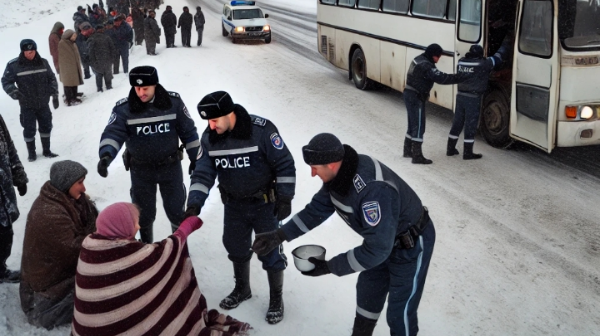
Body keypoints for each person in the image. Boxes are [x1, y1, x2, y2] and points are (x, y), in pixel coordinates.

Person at [252, 133, 436, 336]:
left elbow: (376, 250)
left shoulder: (372, 190)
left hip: (410, 245)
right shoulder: (339, 177)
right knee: (368, 293)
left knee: (399, 313)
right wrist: (279, 236)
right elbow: (316, 211)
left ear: (331, 164)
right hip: (382, 241)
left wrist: (330, 266)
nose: (313, 173)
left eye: (315, 167)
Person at [185, 91, 295, 324]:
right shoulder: (210, 138)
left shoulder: (262, 131)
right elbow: (203, 172)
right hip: (234, 204)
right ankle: (242, 289)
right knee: (234, 245)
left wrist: (285, 198)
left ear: (229, 113)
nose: (210, 126)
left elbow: (284, 163)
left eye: (214, 120)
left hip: (265, 204)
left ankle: (276, 298)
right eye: (208, 121)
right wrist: (194, 203)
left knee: (270, 251)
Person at [70, 203, 252, 336]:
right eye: (135, 223)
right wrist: (187, 227)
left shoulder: (90, 249)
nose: (138, 227)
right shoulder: (131, 257)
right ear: (120, 227)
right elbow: (167, 252)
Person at [97, 66, 200, 243]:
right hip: (141, 169)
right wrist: (106, 155)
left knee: (176, 210)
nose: (141, 93)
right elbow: (113, 133)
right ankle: (145, 248)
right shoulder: (124, 109)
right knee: (143, 213)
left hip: (170, 166)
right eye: (137, 89)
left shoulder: (172, 103)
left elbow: (189, 132)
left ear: (155, 85)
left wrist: (195, 158)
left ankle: (180, 247)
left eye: (145, 88)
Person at [20, 160, 98, 330]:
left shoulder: (68, 198)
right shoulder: (49, 213)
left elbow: (93, 220)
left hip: (56, 278)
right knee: (100, 283)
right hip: (42, 297)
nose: (84, 188)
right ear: (66, 183)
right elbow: (79, 248)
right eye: (79, 182)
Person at [403, 43, 466, 164]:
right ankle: (417, 156)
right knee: (419, 126)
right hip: (416, 96)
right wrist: (459, 77)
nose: (439, 59)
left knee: (412, 123)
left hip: (409, 93)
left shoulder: (418, 59)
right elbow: (442, 78)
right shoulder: (426, 66)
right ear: (433, 55)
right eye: (438, 56)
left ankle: (407, 150)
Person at [447, 44, 508, 159]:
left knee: (457, 123)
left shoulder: (461, 62)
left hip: (460, 96)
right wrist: (506, 45)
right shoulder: (483, 64)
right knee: (471, 125)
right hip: (473, 98)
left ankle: (450, 149)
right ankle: (467, 153)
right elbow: (497, 59)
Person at [1, 39, 59, 161]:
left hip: (43, 102)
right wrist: (15, 93)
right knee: (29, 128)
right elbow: (6, 81)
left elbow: (51, 78)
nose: (30, 54)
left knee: (46, 126)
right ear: (22, 51)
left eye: (32, 51)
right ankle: (31, 153)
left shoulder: (43, 63)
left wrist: (54, 94)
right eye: (27, 52)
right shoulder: (14, 65)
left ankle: (47, 150)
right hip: (26, 104)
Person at [0, 114, 28, 283]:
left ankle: (0, 269)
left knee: (5, 232)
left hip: (3, 190)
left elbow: (9, 147)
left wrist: (19, 176)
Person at [58, 30, 85, 106]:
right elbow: (63, 56)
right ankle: (69, 99)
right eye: (73, 36)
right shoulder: (63, 44)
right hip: (67, 67)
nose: (75, 37)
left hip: (73, 66)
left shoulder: (72, 43)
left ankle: (74, 95)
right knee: (68, 82)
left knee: (74, 80)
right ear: (68, 36)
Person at [88, 24, 116, 92]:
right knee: (107, 74)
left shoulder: (92, 38)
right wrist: (112, 59)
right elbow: (112, 49)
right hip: (107, 60)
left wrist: (93, 62)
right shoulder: (107, 37)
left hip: (97, 61)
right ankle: (109, 86)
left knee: (99, 75)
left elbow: (90, 51)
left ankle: (99, 89)